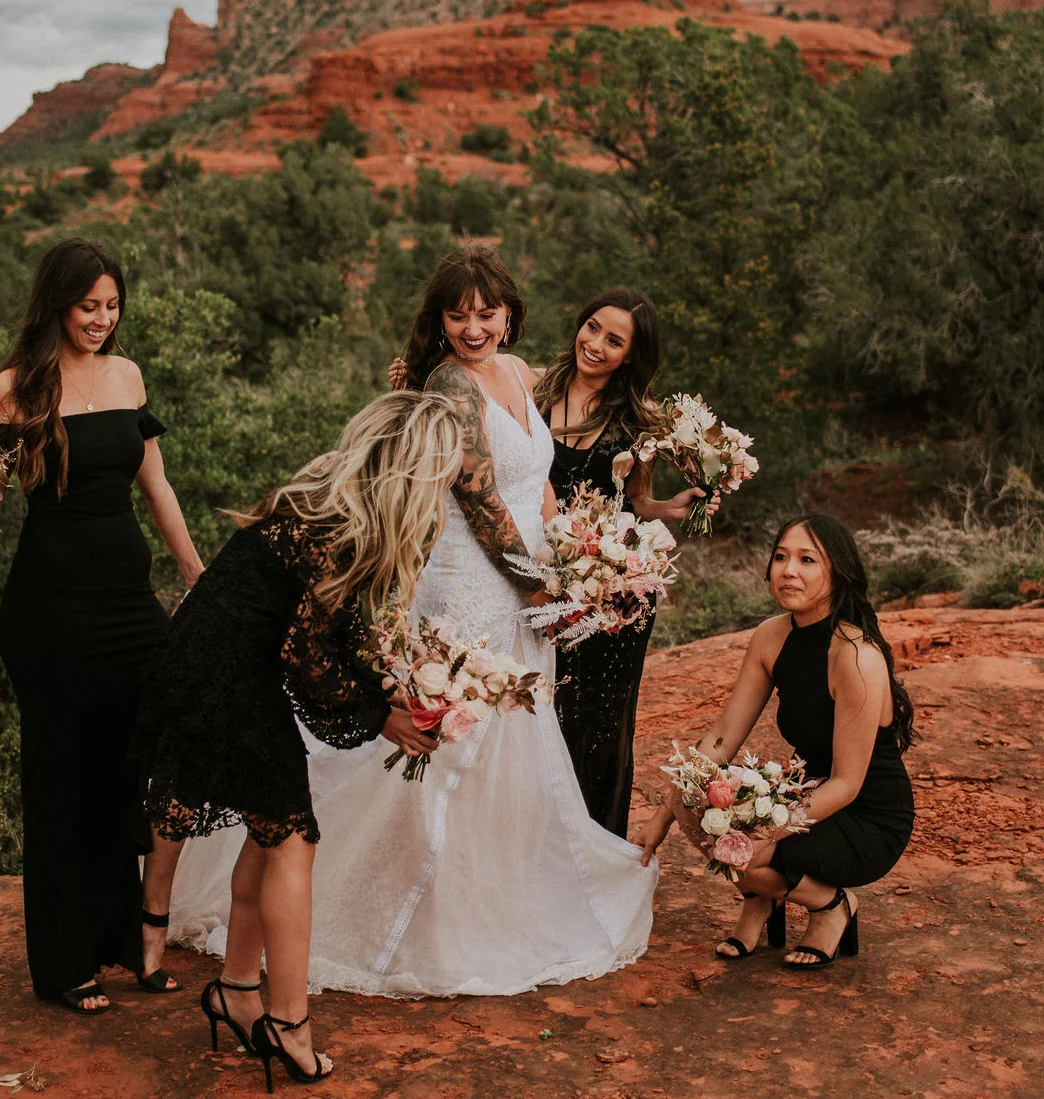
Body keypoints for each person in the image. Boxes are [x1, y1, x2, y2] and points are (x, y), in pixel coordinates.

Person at [169, 244, 658, 997]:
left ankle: (494, 898)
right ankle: (409, 917)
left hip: (530, 576)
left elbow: (541, 479)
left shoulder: (522, 371)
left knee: (510, 753)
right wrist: (542, 593)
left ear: (509, 313)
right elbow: (483, 506)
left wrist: (577, 555)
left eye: (485, 311)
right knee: (447, 749)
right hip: (474, 581)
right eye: (455, 314)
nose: (472, 326)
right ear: (439, 320)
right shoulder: (450, 387)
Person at [142, 391, 466, 1086]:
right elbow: (307, 654)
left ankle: (237, 989)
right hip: (221, 670)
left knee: (274, 830)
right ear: (415, 470)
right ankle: (288, 1020)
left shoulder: (331, 503)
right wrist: (384, 714)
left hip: (217, 657)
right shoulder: (339, 526)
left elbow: (331, 633)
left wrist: (387, 690)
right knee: (292, 837)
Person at [0, 237, 205, 1014]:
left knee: (131, 767)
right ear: (56, 304)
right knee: (63, 778)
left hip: (126, 602)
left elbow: (156, 483)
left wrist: (195, 572)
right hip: (49, 610)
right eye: (88, 307)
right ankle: (65, 961)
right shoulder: (13, 389)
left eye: (112, 306)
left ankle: (125, 942)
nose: (102, 320)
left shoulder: (127, 375)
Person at [638, 511, 915, 969]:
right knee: (692, 803)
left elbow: (847, 783)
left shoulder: (855, 655)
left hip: (865, 816)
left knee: (742, 848)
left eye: (808, 559)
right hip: (802, 795)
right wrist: (666, 811)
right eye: (781, 557)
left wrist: (766, 830)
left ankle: (830, 905)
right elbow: (723, 737)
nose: (789, 571)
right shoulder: (771, 635)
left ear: (838, 571)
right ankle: (761, 897)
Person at [534, 288, 703, 835]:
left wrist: (668, 510)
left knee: (598, 725)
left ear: (631, 354)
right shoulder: (534, 390)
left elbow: (635, 502)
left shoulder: (639, 419)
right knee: (537, 714)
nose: (596, 345)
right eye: (592, 328)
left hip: (612, 595)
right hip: (539, 584)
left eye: (614, 340)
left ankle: (592, 850)